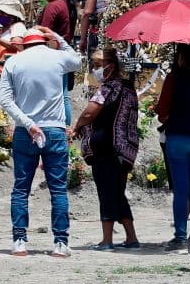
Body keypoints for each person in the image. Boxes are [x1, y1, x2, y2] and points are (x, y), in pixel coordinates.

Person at [0, 26, 82, 257]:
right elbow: (78, 60)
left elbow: (5, 100)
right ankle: (60, 243)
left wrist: (28, 123)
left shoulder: (14, 62)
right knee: (58, 189)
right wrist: (59, 38)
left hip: (26, 131)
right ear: (45, 42)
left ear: (24, 44)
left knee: (21, 188)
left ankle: (19, 240)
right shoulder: (57, 57)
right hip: (54, 129)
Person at [70, 48, 140, 251]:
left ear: (111, 66)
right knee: (118, 193)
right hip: (124, 149)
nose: (95, 69)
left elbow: (89, 113)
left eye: (98, 65)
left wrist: (77, 127)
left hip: (107, 148)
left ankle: (106, 240)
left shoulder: (108, 88)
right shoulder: (128, 88)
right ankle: (131, 238)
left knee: (107, 192)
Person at [155, 42, 190, 254]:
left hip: (179, 137)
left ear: (180, 56)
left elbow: (162, 112)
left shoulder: (173, 78)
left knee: (181, 191)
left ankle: (180, 237)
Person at [40, 0, 79, 126]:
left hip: (51, 54)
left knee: (54, 95)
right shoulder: (67, 5)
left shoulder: (53, 6)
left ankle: (56, 126)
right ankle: (66, 128)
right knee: (63, 95)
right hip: (64, 52)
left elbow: (44, 31)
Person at [0, 0, 27, 71]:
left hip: (10, 70)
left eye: (3, 13)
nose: (0, 15)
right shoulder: (0, 30)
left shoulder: (18, 27)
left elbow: (18, 47)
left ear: (12, 16)